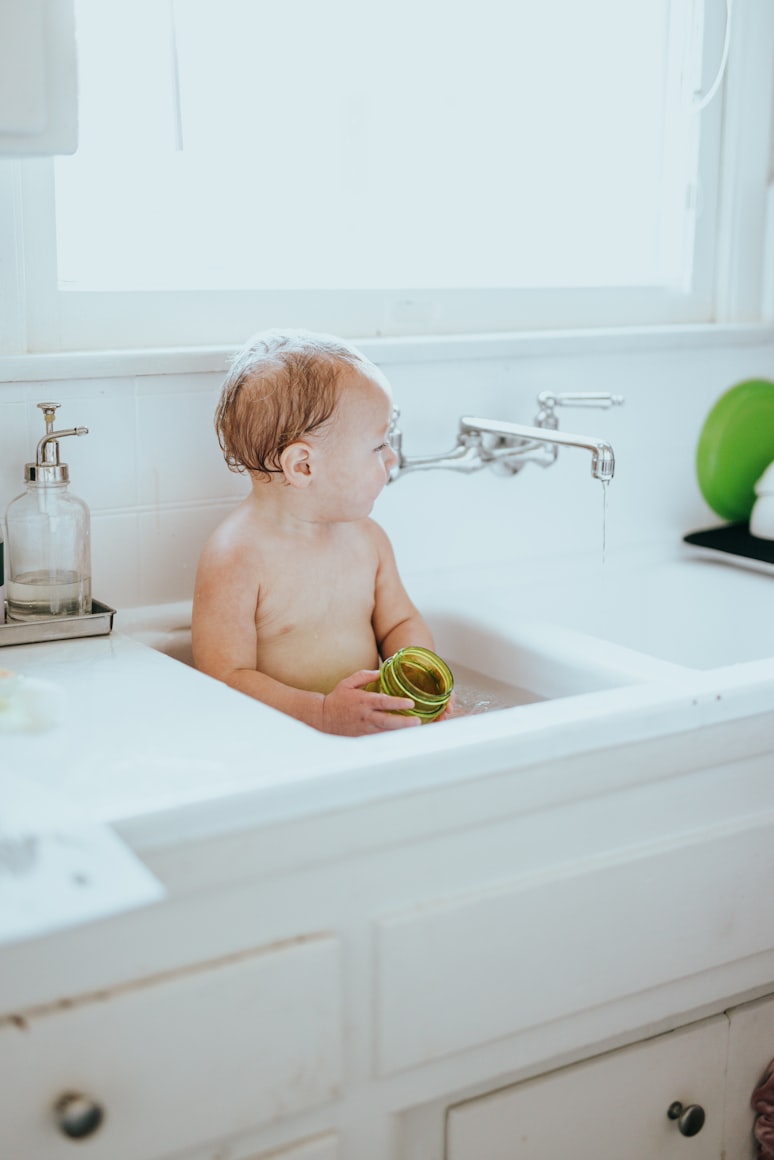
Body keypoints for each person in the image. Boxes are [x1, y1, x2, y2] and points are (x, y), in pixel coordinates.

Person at [192, 329, 442, 736]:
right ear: (303, 466)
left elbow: (400, 622)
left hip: (366, 728)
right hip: (285, 739)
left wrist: (415, 677)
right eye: (378, 446)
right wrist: (321, 713)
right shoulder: (237, 556)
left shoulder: (368, 540)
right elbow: (225, 677)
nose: (392, 457)